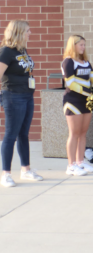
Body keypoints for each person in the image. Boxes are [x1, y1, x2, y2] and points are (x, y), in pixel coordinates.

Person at [0, 20, 44, 187]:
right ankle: (6, 174)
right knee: (11, 134)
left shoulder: (22, 50)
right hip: (13, 96)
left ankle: (25, 170)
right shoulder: (6, 51)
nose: (30, 33)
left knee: (23, 134)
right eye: (27, 31)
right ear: (18, 32)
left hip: (27, 95)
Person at [61, 35, 93, 176]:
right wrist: (89, 92)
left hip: (86, 101)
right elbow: (70, 83)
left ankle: (80, 162)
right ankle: (70, 166)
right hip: (73, 101)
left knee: (83, 133)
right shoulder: (68, 61)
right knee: (74, 133)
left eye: (84, 44)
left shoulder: (85, 61)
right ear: (73, 45)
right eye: (81, 45)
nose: (83, 47)